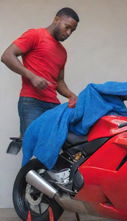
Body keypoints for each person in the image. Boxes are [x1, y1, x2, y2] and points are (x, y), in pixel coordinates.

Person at [1, 7, 79, 137]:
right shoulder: (35, 35)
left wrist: (71, 95)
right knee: (32, 144)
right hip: (31, 103)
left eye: (72, 30)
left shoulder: (62, 52)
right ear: (56, 19)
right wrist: (32, 77)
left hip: (53, 104)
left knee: (55, 145)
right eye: (67, 27)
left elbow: (59, 81)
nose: (69, 33)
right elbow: (7, 56)